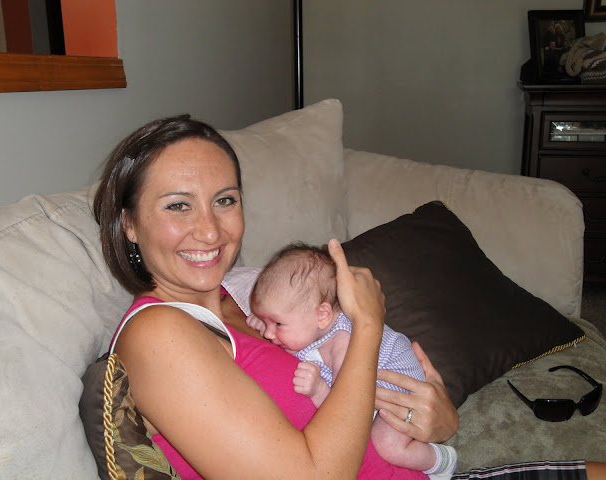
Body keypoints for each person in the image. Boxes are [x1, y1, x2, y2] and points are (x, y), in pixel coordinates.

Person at [93, 113, 602, 480]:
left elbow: (352, 397)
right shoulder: (159, 332)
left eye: (225, 200)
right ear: (129, 224)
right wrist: (369, 325)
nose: (210, 230)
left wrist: (439, 418)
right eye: (178, 206)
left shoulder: (238, 297)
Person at [246, 242, 457, 479]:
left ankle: (440, 461)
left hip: (398, 382)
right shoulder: (310, 328)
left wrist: (318, 389)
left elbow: (349, 410)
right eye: (265, 321)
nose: (269, 333)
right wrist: (264, 322)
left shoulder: (342, 342)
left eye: (277, 323)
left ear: (322, 315)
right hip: (373, 387)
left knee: (387, 444)